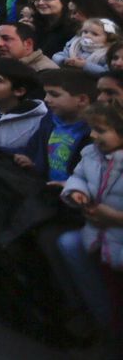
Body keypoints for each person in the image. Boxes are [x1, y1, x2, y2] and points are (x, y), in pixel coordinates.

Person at [54, 101, 123, 342]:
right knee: (110, 291)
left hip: (116, 235)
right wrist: (76, 192)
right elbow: (79, 176)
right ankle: (108, 330)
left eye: (101, 130)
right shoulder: (92, 154)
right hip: (102, 237)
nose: (92, 135)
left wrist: (115, 218)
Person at [23, 68, 94, 182]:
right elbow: (31, 149)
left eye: (54, 95)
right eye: (46, 93)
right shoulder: (49, 119)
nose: (46, 99)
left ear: (81, 99)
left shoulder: (95, 133)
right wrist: (29, 160)